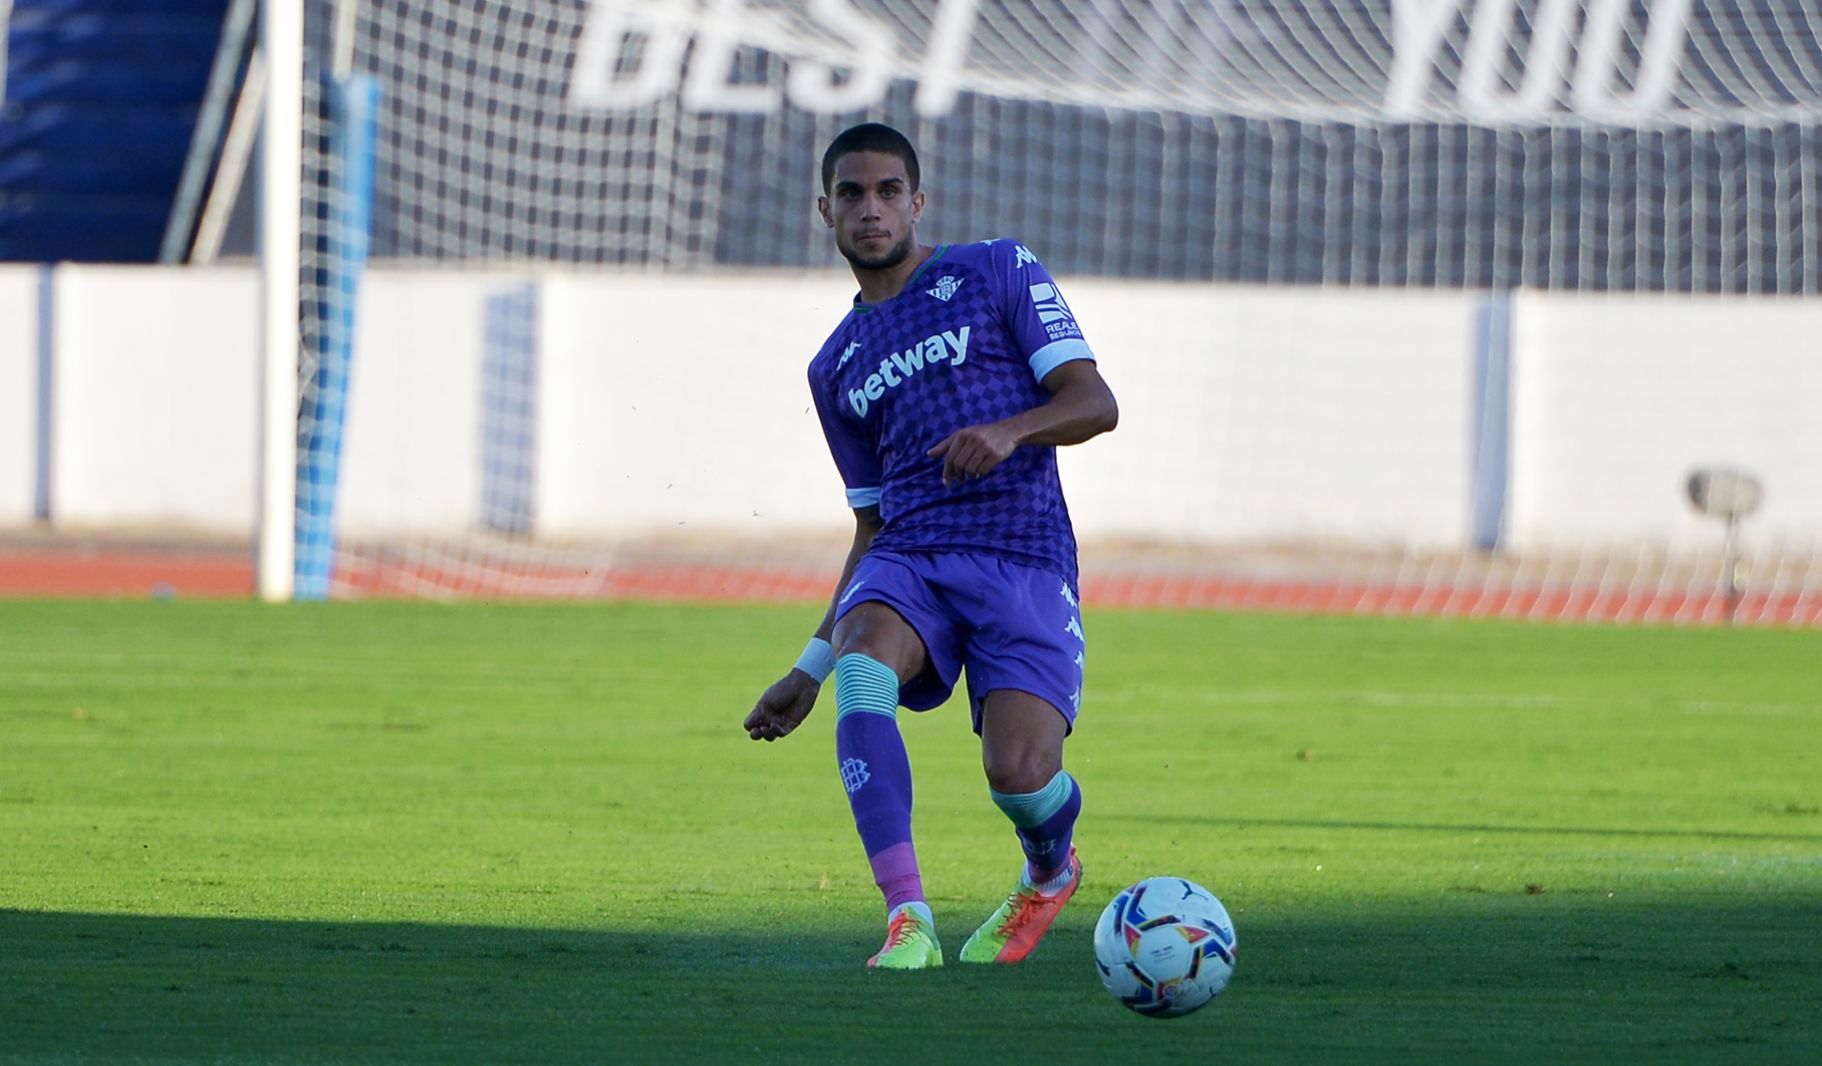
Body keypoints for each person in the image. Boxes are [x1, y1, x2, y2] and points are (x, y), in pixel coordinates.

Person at [743, 123, 1118, 970]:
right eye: (851, 195)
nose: (869, 210)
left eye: (886, 192)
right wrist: (809, 668)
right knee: (865, 664)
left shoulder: (993, 270)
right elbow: (870, 525)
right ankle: (907, 918)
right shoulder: (834, 364)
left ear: (919, 201)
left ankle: (1049, 872)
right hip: (908, 556)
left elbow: (1095, 402)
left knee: (1019, 776)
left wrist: (1010, 431)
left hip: (1021, 553)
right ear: (825, 212)